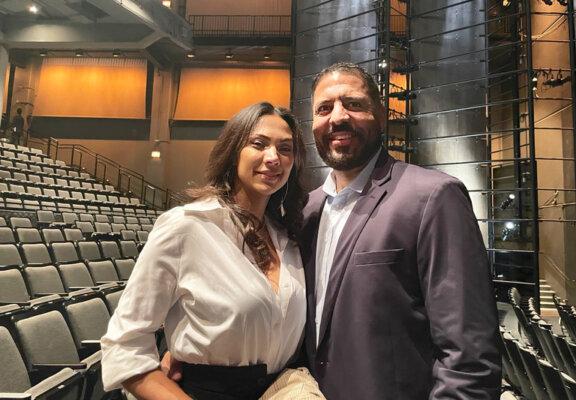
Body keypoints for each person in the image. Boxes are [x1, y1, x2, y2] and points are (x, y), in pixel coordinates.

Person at [300, 62, 501, 399]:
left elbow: (470, 354)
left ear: (381, 116)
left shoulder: (433, 197)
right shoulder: (304, 212)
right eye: (324, 108)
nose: (338, 117)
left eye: (354, 103)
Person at [101, 102, 312, 400]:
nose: (273, 158)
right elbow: (125, 344)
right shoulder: (186, 226)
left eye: (285, 148)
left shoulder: (287, 238)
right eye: (258, 144)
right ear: (233, 151)